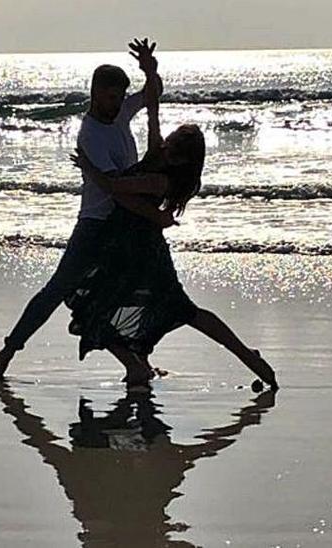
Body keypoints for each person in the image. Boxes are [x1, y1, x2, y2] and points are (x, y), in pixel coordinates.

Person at [67, 40, 277, 392]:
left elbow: (117, 190)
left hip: (139, 249)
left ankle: (243, 355)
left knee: (165, 309)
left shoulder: (160, 177)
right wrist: (149, 70)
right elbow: (153, 106)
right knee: (109, 304)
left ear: (181, 159)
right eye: (170, 140)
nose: (165, 145)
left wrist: (87, 164)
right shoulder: (157, 154)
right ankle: (141, 364)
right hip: (128, 244)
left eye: (174, 146)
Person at [0, 39, 168, 379]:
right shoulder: (91, 134)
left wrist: (149, 69)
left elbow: (152, 94)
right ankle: (6, 354)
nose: (116, 105)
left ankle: (137, 361)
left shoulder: (120, 113)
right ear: (96, 93)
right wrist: (150, 209)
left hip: (124, 224)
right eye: (110, 98)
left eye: (119, 98)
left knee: (133, 292)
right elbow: (113, 188)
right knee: (58, 290)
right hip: (96, 225)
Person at [0, 382, 275, 546]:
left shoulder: (96, 503)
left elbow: (48, 449)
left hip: (106, 461)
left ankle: (138, 389)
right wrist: (243, 422)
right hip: (117, 467)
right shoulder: (120, 499)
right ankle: (138, 389)